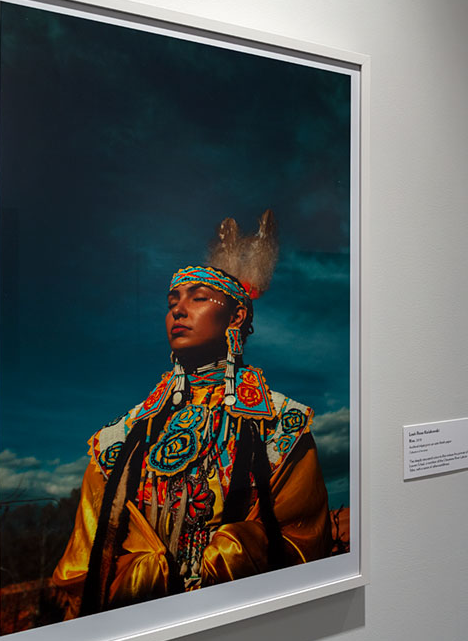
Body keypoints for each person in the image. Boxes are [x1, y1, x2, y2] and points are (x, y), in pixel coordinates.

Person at [50, 212, 331, 619]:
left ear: (235, 316)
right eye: (172, 303)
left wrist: (234, 554)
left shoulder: (280, 426)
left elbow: (304, 544)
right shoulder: (120, 441)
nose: (178, 311)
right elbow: (84, 570)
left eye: (197, 299)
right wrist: (142, 576)